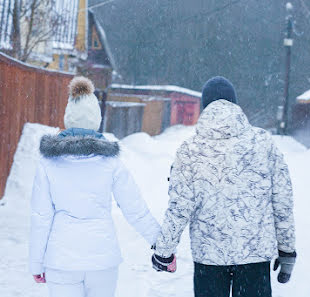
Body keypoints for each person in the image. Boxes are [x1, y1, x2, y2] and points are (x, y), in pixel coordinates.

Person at [152, 76, 296, 297]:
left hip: (209, 260)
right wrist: (287, 250)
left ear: (204, 106)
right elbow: (282, 200)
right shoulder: (263, 143)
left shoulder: (191, 150)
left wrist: (164, 251)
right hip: (254, 258)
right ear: (235, 103)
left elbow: (179, 206)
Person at [29, 76, 161, 297]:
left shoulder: (48, 163)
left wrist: (36, 263)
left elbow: (41, 216)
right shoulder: (110, 163)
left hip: (62, 261)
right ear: (97, 120)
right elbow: (135, 209)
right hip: (102, 261)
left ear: (68, 119)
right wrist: (162, 244)